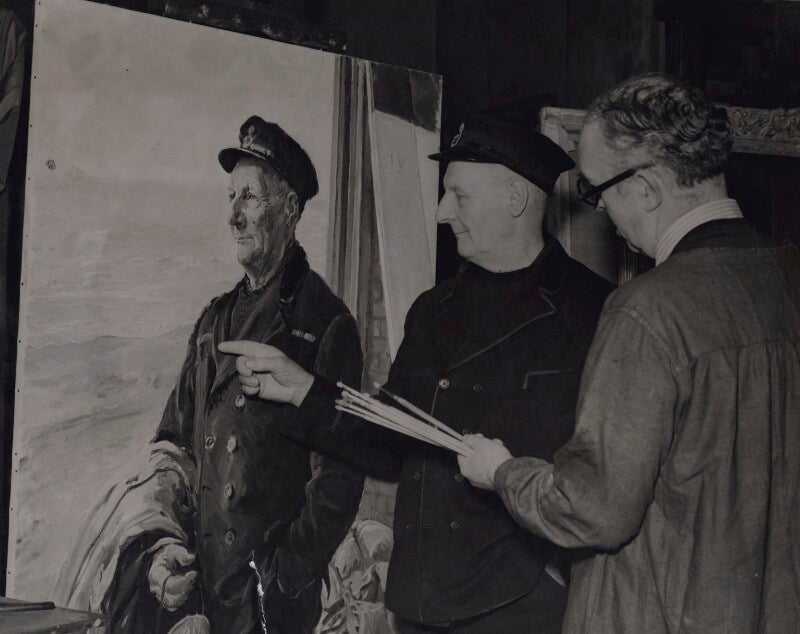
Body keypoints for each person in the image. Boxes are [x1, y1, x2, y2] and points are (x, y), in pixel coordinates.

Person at [220, 113, 615, 633]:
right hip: (421, 606)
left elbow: (606, 481)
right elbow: (388, 443)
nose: (442, 210)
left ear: (516, 199)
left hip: (519, 609)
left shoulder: (594, 311)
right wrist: (304, 391)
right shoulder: (433, 310)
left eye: (459, 195)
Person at [457, 75, 800, 632]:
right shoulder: (785, 276)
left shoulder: (647, 310)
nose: (603, 215)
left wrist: (501, 473)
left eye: (597, 192)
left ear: (646, 188)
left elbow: (593, 509)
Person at [58, 116, 365, 634]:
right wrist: (165, 549)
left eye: (250, 198)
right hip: (201, 597)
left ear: (290, 208)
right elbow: (171, 447)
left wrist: (283, 577)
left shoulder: (327, 325)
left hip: (270, 606)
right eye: (230, 198)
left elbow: (338, 478)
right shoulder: (212, 322)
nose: (233, 216)